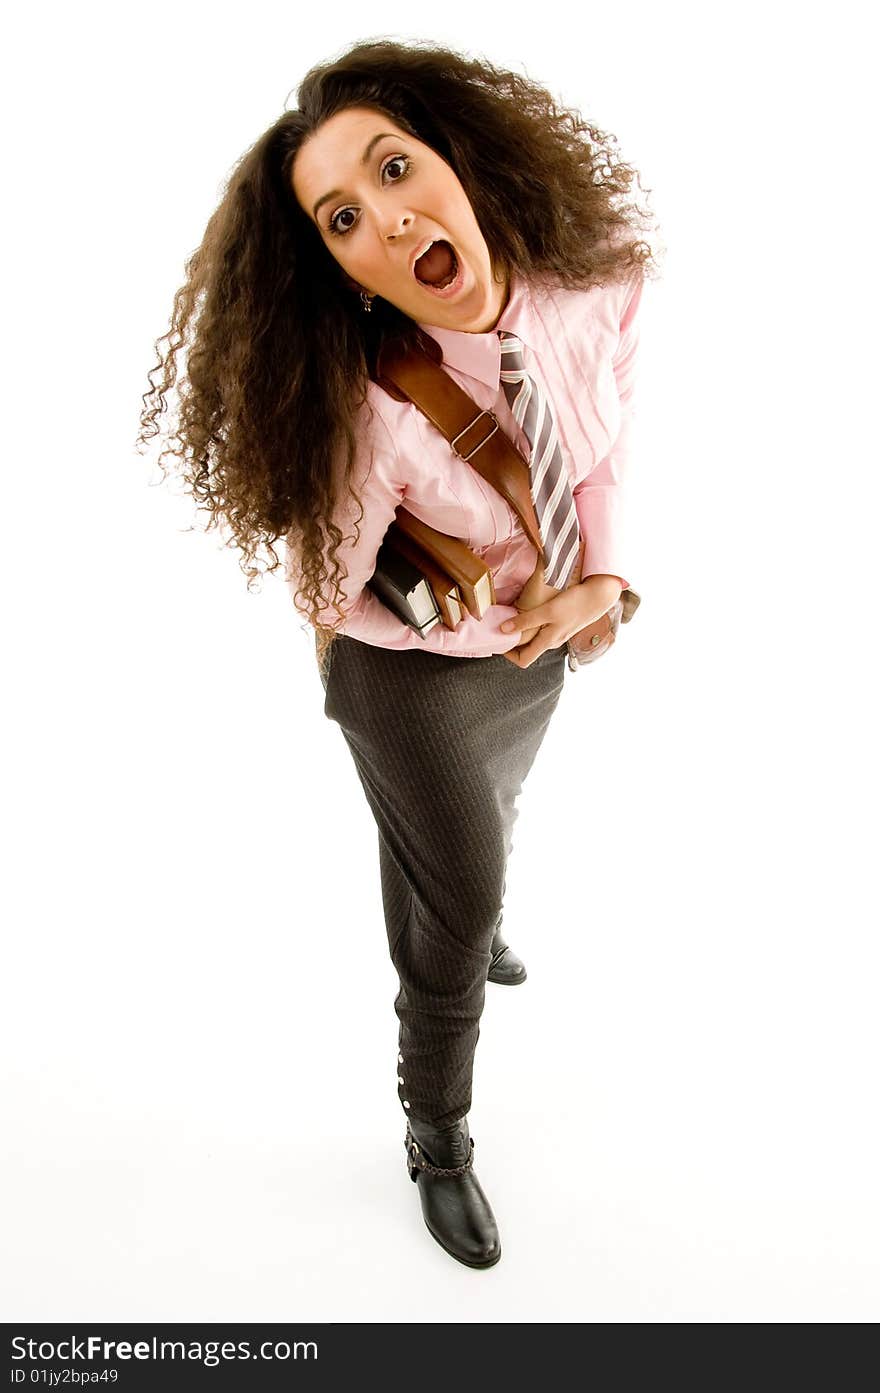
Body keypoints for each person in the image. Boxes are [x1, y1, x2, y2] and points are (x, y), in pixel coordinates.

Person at [137, 37, 659, 1270]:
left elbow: (600, 451)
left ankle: (453, 891)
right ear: (337, 267)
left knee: (485, 810)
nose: (385, 219)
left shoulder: (601, 288)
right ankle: (437, 1128)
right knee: (461, 889)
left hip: (539, 645)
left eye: (392, 167)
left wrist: (597, 575)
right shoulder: (367, 410)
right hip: (407, 671)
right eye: (341, 217)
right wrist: (399, 593)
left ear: (458, 159)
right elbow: (323, 585)